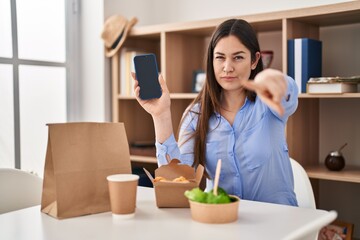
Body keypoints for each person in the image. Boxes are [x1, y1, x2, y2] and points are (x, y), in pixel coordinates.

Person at [132, 19, 299, 206]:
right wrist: (160, 115)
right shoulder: (196, 114)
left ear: (254, 60)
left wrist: (276, 81)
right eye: (220, 57)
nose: (227, 67)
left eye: (238, 57)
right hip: (223, 222)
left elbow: (289, 94)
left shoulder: (270, 104)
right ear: (211, 60)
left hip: (278, 224)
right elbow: (177, 180)